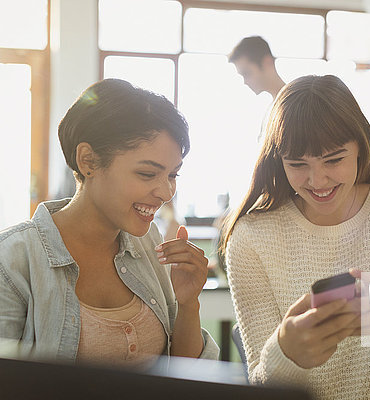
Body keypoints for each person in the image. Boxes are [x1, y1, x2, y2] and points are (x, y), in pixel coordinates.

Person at [222, 75, 370, 399]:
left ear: (361, 147)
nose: (317, 180)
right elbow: (262, 382)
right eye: (298, 164)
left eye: (333, 160)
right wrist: (286, 351)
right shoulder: (251, 238)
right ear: (278, 161)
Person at [0, 79, 219, 368]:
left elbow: (186, 377)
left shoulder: (150, 243)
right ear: (88, 160)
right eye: (146, 174)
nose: (166, 193)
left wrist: (188, 304)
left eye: (173, 175)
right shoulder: (13, 260)